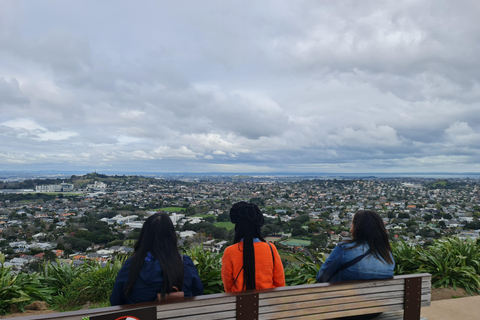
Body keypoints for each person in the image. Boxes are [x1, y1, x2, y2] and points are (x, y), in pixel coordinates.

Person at [316, 210, 395, 320]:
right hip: (375, 310)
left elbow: (322, 277)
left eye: (352, 223)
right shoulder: (387, 254)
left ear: (357, 227)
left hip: (344, 310)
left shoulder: (345, 248)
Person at [110, 213, 203, 305]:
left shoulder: (132, 265)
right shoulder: (184, 263)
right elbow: (198, 293)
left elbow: (116, 300)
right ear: (172, 236)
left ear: (144, 236)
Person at [221, 201, 285, 292]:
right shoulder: (271, 249)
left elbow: (228, 286)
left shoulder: (229, 252)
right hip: (268, 302)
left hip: (240, 303)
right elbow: (280, 283)